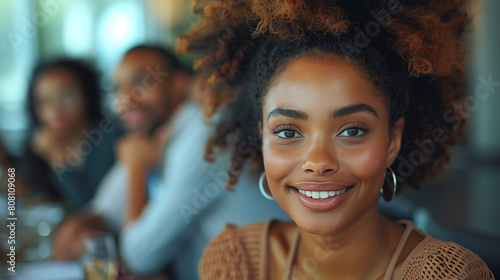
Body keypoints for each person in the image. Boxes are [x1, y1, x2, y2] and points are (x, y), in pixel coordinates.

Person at [177, 0, 495, 279]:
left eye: (352, 131)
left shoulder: (445, 275)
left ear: (393, 141)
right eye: (288, 132)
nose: (318, 162)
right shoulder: (236, 259)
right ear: (262, 139)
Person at [52, 45, 187, 260]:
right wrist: (83, 225)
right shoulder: (149, 138)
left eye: (142, 82)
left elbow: (139, 257)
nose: (126, 99)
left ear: (179, 84)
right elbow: (103, 210)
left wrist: (136, 169)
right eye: (118, 88)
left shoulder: (191, 140)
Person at [20, 59, 123, 211]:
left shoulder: (109, 137)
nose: (55, 111)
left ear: (87, 95)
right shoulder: (40, 140)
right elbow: (31, 196)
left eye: (67, 97)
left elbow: (90, 211)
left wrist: (57, 159)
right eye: (44, 102)